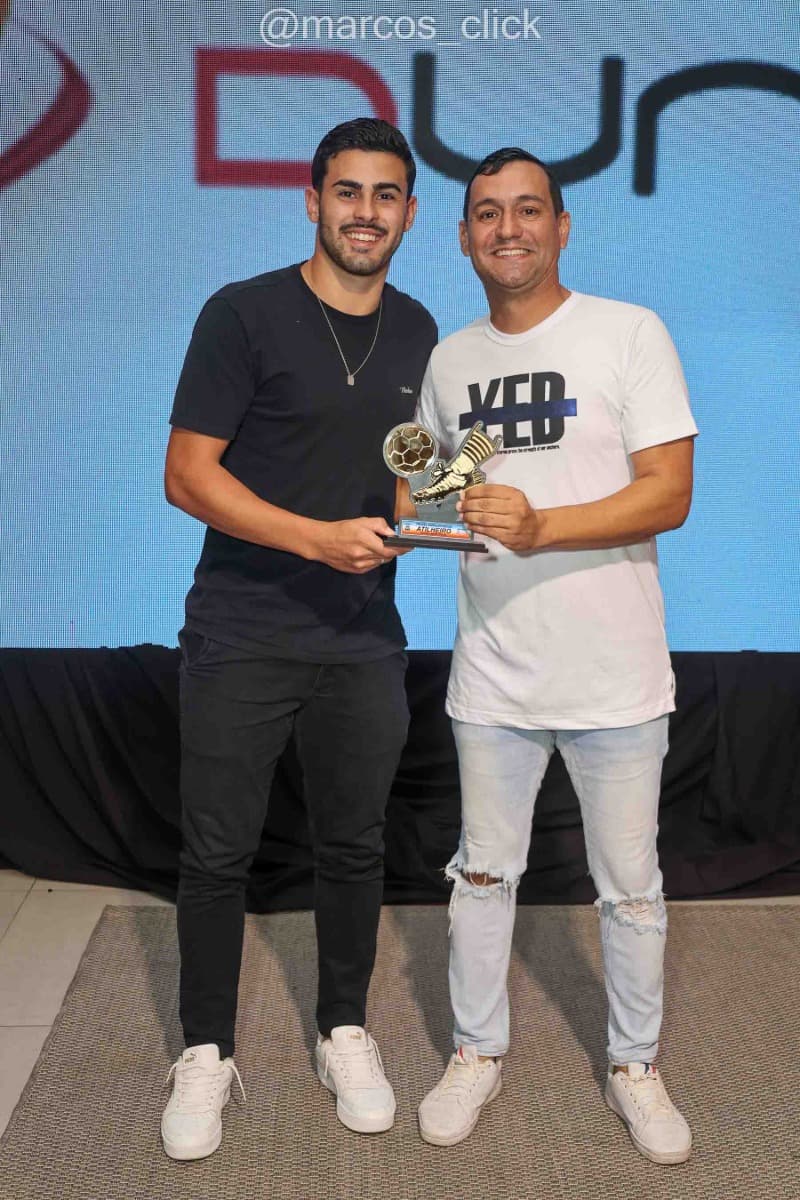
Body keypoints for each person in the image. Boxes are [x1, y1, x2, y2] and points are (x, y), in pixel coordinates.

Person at [413, 148, 697, 1164]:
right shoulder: (448, 361)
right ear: (463, 237)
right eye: (487, 213)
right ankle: (475, 1051)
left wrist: (542, 528)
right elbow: (435, 492)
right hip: (493, 673)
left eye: (527, 210)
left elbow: (668, 492)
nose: (508, 229)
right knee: (482, 875)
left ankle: (634, 1066)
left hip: (616, 674)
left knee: (629, 888)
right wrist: (419, 512)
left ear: (562, 226)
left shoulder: (629, 331)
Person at [161, 118, 437, 1161]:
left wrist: (466, 504)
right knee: (216, 854)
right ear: (312, 200)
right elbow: (188, 476)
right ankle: (205, 1050)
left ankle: (343, 1030)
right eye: (348, 191)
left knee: (354, 846)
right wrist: (315, 539)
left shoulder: (420, 331)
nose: (366, 212)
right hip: (241, 632)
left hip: (363, 641)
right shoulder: (241, 314)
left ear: (409, 213)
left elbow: (409, 481)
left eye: (386, 194)